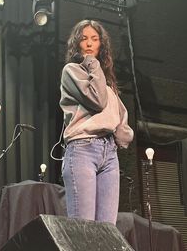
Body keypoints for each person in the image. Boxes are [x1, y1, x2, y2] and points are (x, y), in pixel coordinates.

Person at [59, 19, 134, 225]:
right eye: (84, 39)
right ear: (77, 44)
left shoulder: (104, 81)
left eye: (95, 39)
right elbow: (98, 101)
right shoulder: (72, 71)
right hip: (83, 149)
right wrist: (92, 63)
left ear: (102, 44)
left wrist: (123, 136)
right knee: (84, 229)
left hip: (109, 154)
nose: (90, 44)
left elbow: (118, 115)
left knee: (107, 230)